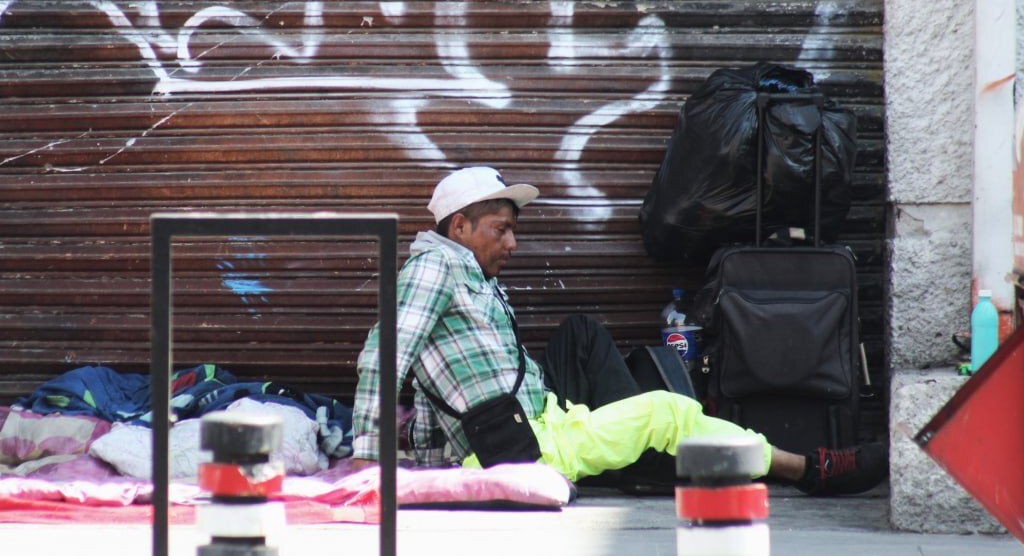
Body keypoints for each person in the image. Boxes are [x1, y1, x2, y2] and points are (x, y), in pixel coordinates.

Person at [350, 166, 887, 496]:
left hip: (545, 422)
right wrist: (369, 461)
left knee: (635, 386)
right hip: (523, 446)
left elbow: (429, 383)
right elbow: (386, 353)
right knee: (666, 411)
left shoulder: (470, 274)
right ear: (459, 227)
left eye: (514, 230)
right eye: (501, 229)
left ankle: (703, 455)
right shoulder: (433, 268)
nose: (512, 244)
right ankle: (808, 470)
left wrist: (428, 459)